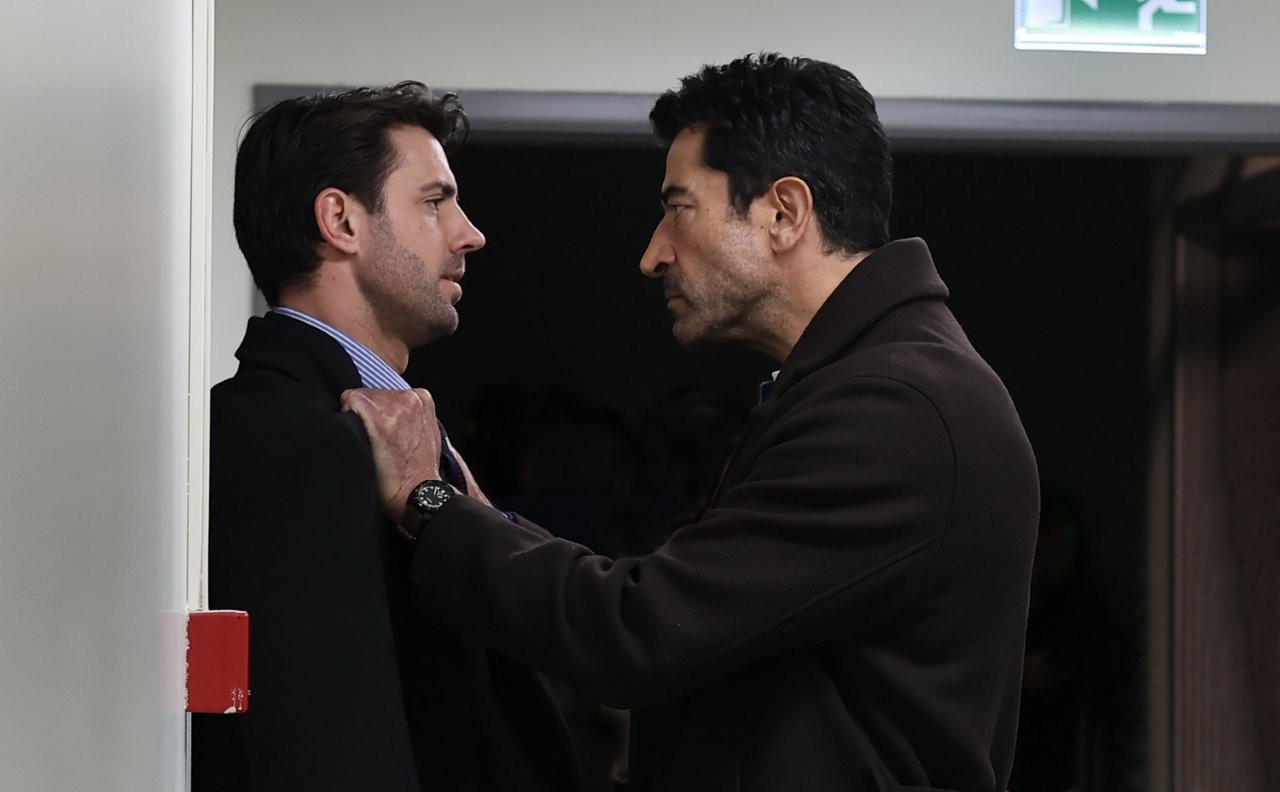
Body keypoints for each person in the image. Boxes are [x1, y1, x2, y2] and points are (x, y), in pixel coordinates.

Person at [345, 54, 1040, 792]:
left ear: (784, 213)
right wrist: (481, 520)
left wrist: (429, 503)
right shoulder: (876, 384)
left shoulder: (895, 407)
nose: (654, 255)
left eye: (679, 208)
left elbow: (640, 630)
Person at [193, 82, 580, 791]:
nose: (469, 233)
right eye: (435, 201)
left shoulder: (386, 421)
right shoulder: (290, 433)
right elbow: (323, 741)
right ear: (341, 220)